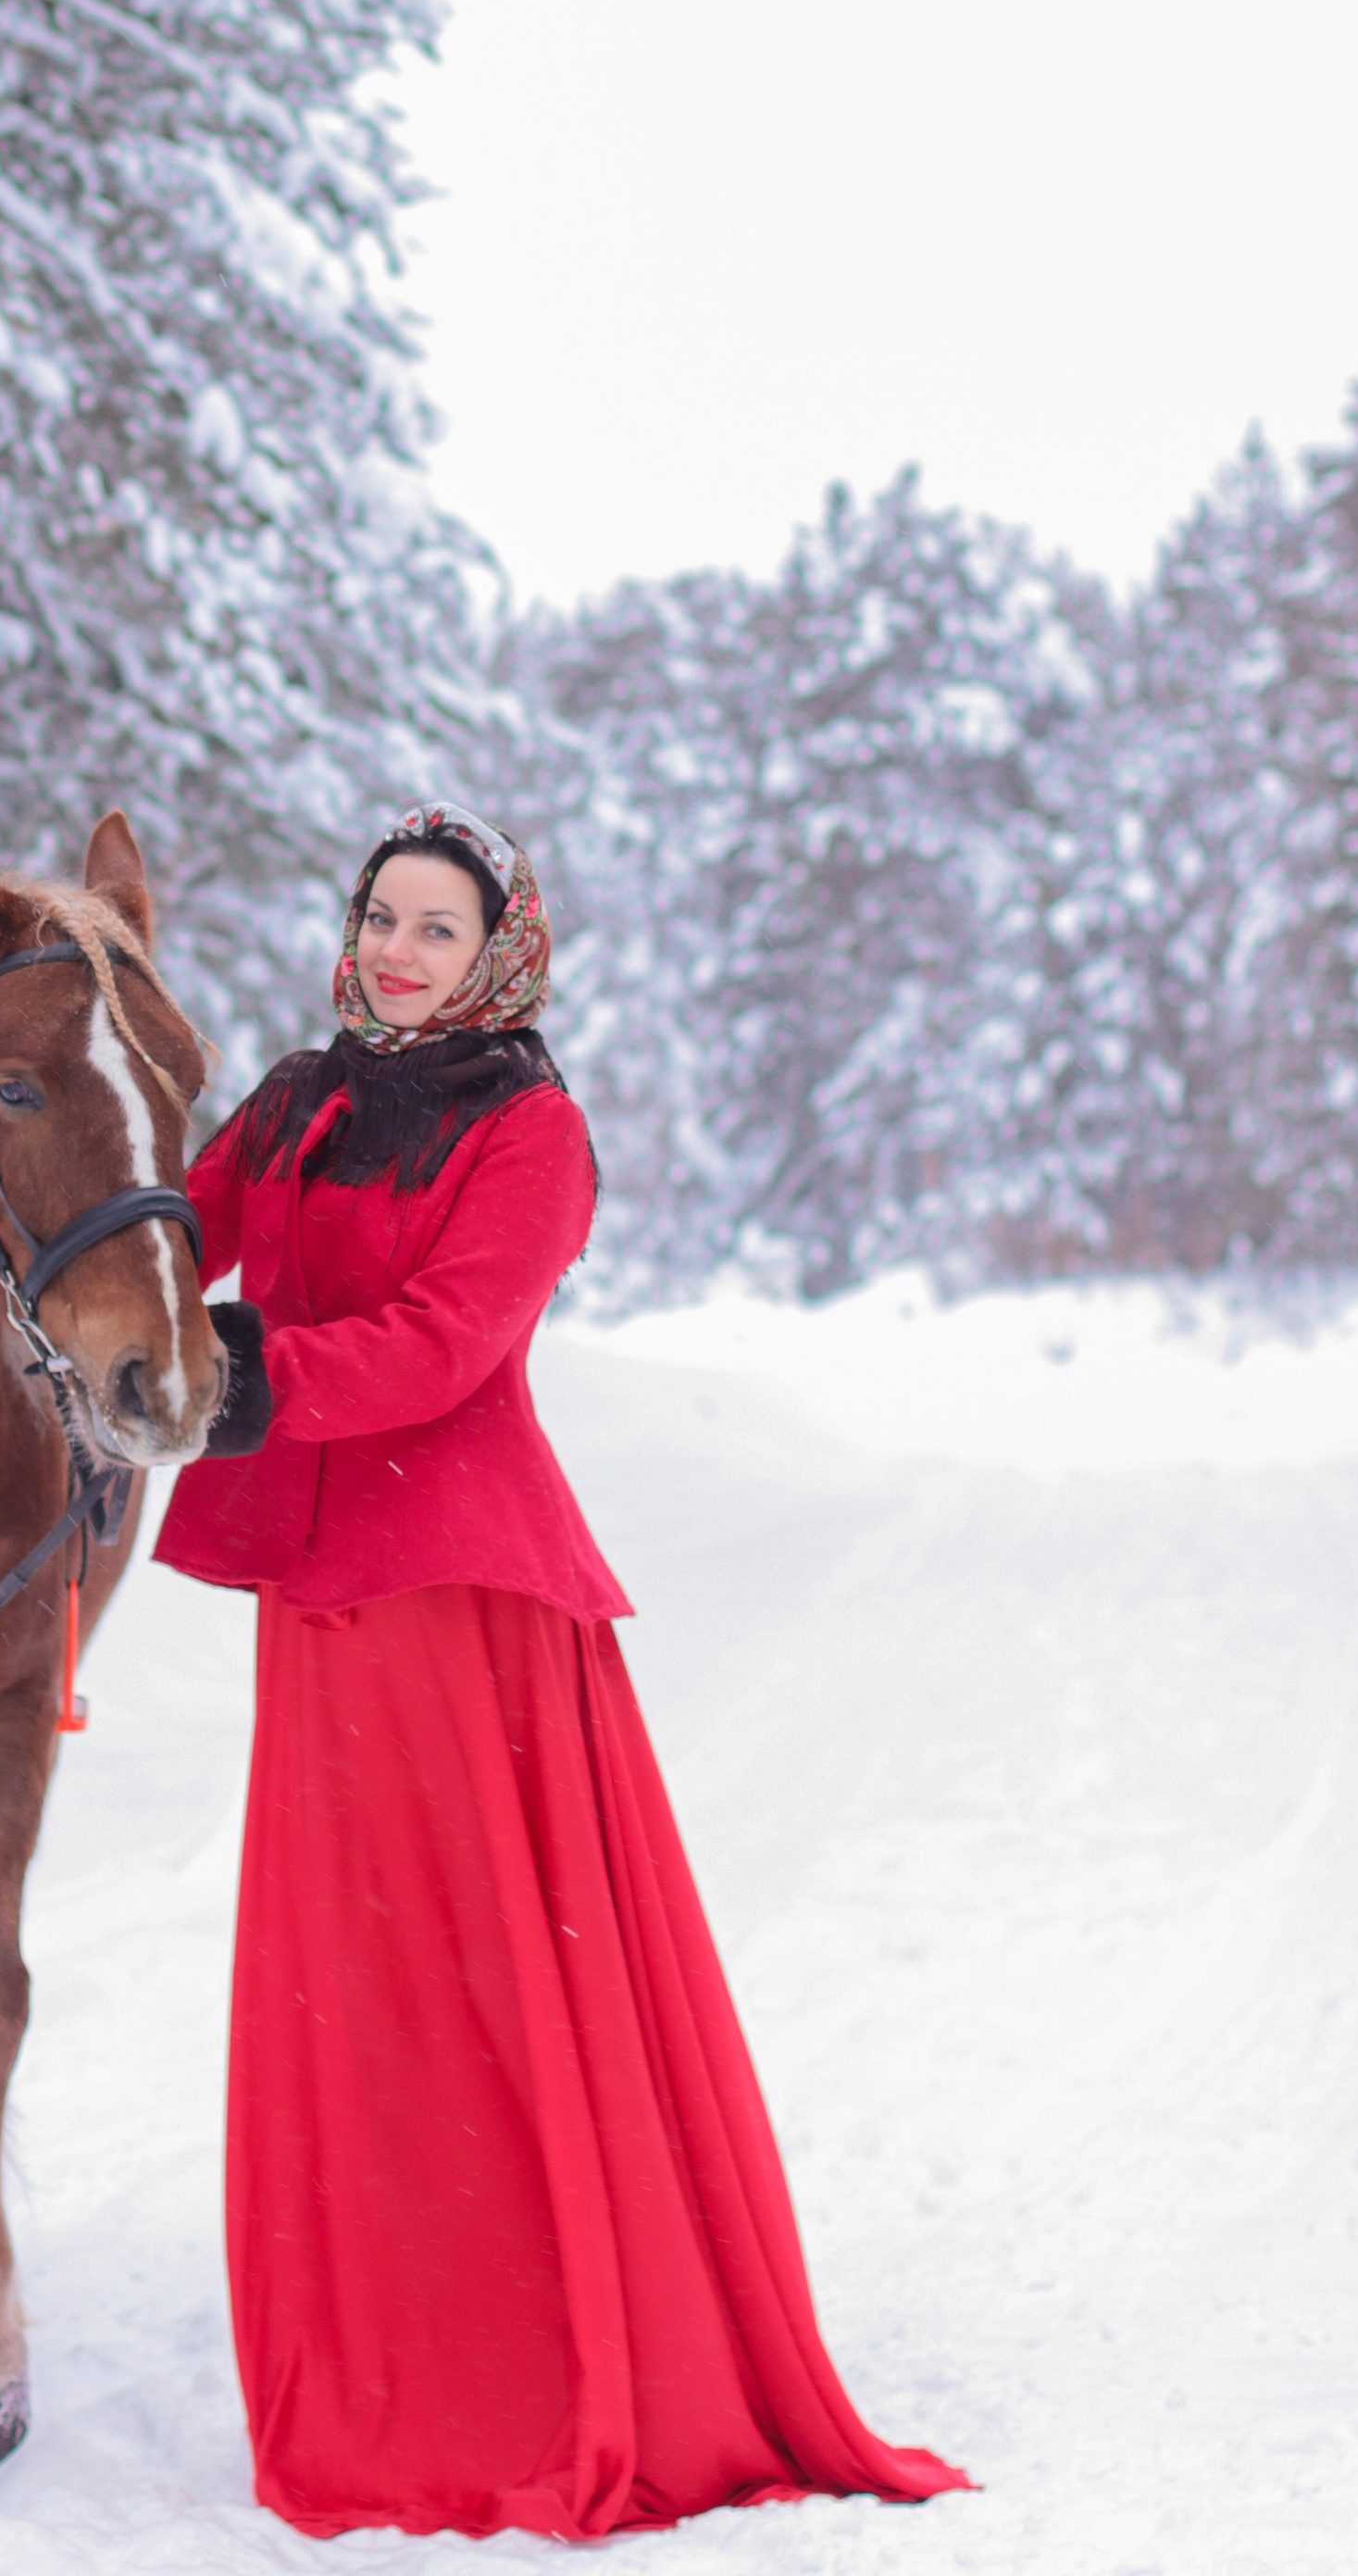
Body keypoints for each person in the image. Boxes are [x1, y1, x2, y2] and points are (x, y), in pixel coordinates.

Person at [156, 801, 972, 2542]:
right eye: (383, 914)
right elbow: (177, 1246)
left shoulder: (533, 1128)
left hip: (462, 1597)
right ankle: (389, 2343)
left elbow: (451, 1344)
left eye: (437, 928)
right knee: (350, 1980)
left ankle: (536, 2355)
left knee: (479, 1982)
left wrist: (237, 1382)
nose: (396, 948)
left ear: (500, 951)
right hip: (321, 1598)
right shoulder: (301, 1096)